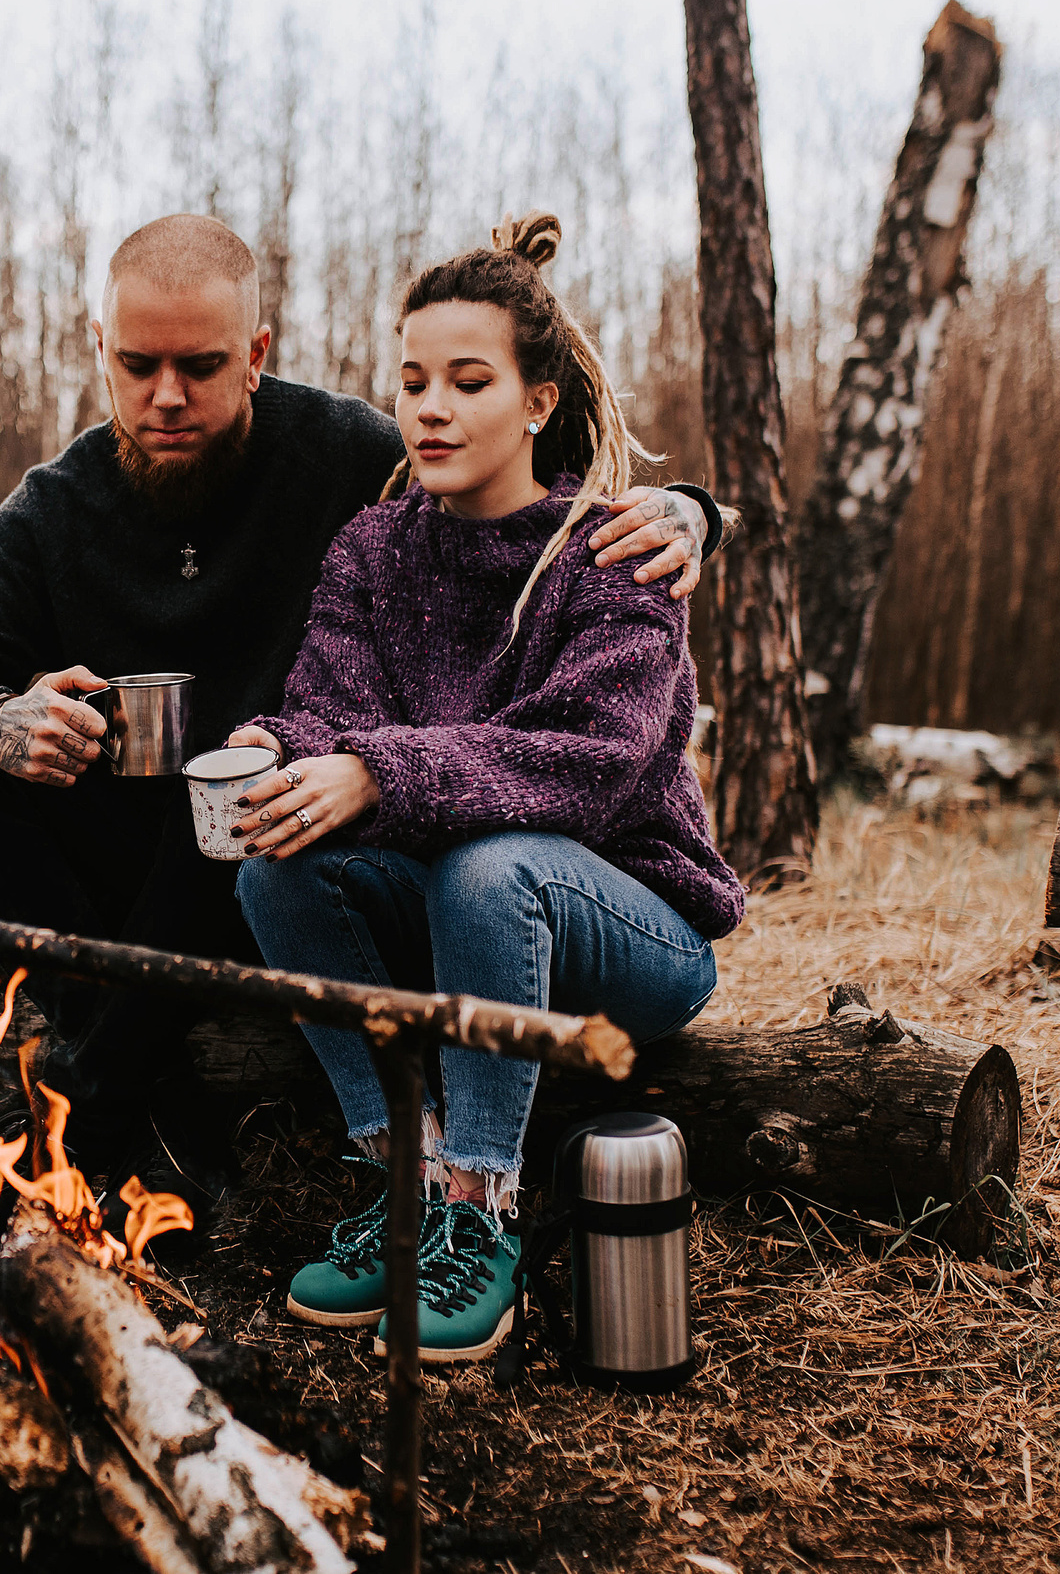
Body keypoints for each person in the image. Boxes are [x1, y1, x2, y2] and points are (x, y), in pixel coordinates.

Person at [0, 213, 722, 1257]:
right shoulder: (58, 510)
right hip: (205, 854)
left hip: (332, 846)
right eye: (137, 365)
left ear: (256, 355)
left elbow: (533, 477)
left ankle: (105, 1105)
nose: (165, 395)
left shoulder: (350, 455)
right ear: (100, 349)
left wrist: (690, 512)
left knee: (323, 828)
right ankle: (143, 1090)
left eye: (201, 365)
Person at [227, 212, 743, 1363]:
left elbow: (594, 763)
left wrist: (380, 770)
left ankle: (479, 1213)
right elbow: (329, 708)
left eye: (467, 381)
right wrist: (274, 750)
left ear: (537, 402)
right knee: (276, 866)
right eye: (412, 381)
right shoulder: (373, 549)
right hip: (468, 928)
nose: (430, 408)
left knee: (489, 861)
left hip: (633, 935)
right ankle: (400, 1179)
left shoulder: (613, 551)